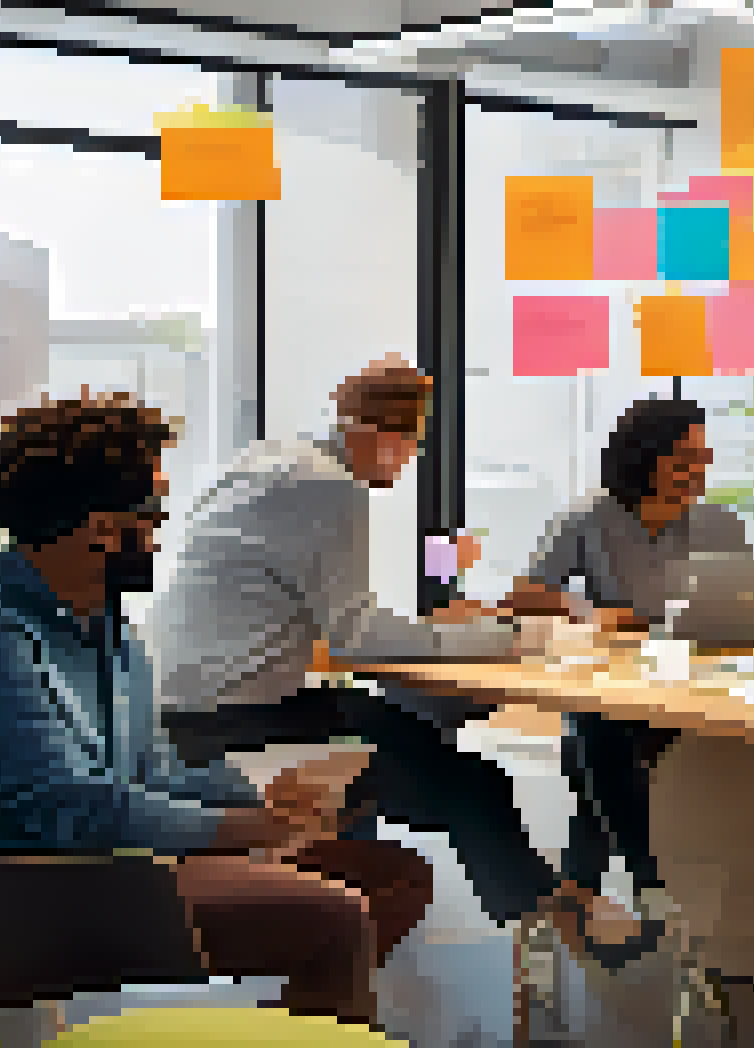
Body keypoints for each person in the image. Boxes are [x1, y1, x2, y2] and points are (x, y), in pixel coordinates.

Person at [0, 391, 432, 1028]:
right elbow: (74, 810)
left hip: (108, 854)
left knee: (391, 875)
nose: (162, 532)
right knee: (336, 911)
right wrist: (241, 833)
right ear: (101, 529)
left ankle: (290, 1030)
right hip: (25, 882)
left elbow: (154, 776)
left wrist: (262, 802)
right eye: (153, 514)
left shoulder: (106, 625)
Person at [140, 356, 650, 972]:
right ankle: (552, 926)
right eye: (411, 445)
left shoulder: (261, 464)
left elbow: (318, 616)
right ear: (388, 437)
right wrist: (509, 638)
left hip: (176, 706)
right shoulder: (330, 487)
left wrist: (451, 633)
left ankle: (540, 913)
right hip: (237, 717)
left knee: (418, 745)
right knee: (468, 779)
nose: (408, 462)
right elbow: (358, 638)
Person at [504, 397, 749, 967]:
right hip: (614, 682)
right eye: (686, 454)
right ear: (647, 458)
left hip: (693, 678)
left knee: (592, 758)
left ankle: (584, 896)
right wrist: (586, 611)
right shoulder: (589, 517)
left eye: (704, 453)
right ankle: (648, 887)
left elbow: (746, 597)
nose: (702, 464)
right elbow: (522, 595)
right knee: (603, 736)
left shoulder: (718, 523)